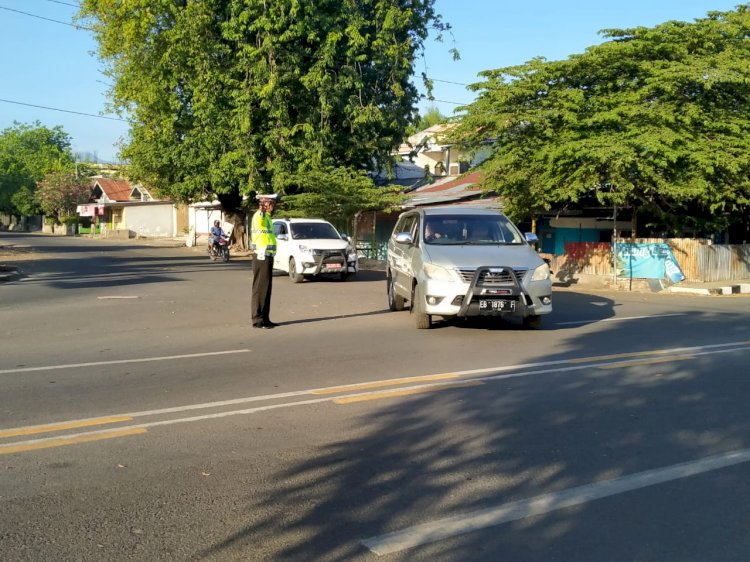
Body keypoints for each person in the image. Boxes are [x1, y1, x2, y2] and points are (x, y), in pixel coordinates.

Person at [251, 193, 279, 329]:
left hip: (267, 255)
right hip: (261, 256)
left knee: (266, 288)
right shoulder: (259, 216)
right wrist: (262, 207)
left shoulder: (268, 217)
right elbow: (260, 218)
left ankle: (265, 318)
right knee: (260, 288)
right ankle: (258, 319)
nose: (273, 206)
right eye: (271, 203)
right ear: (265, 204)